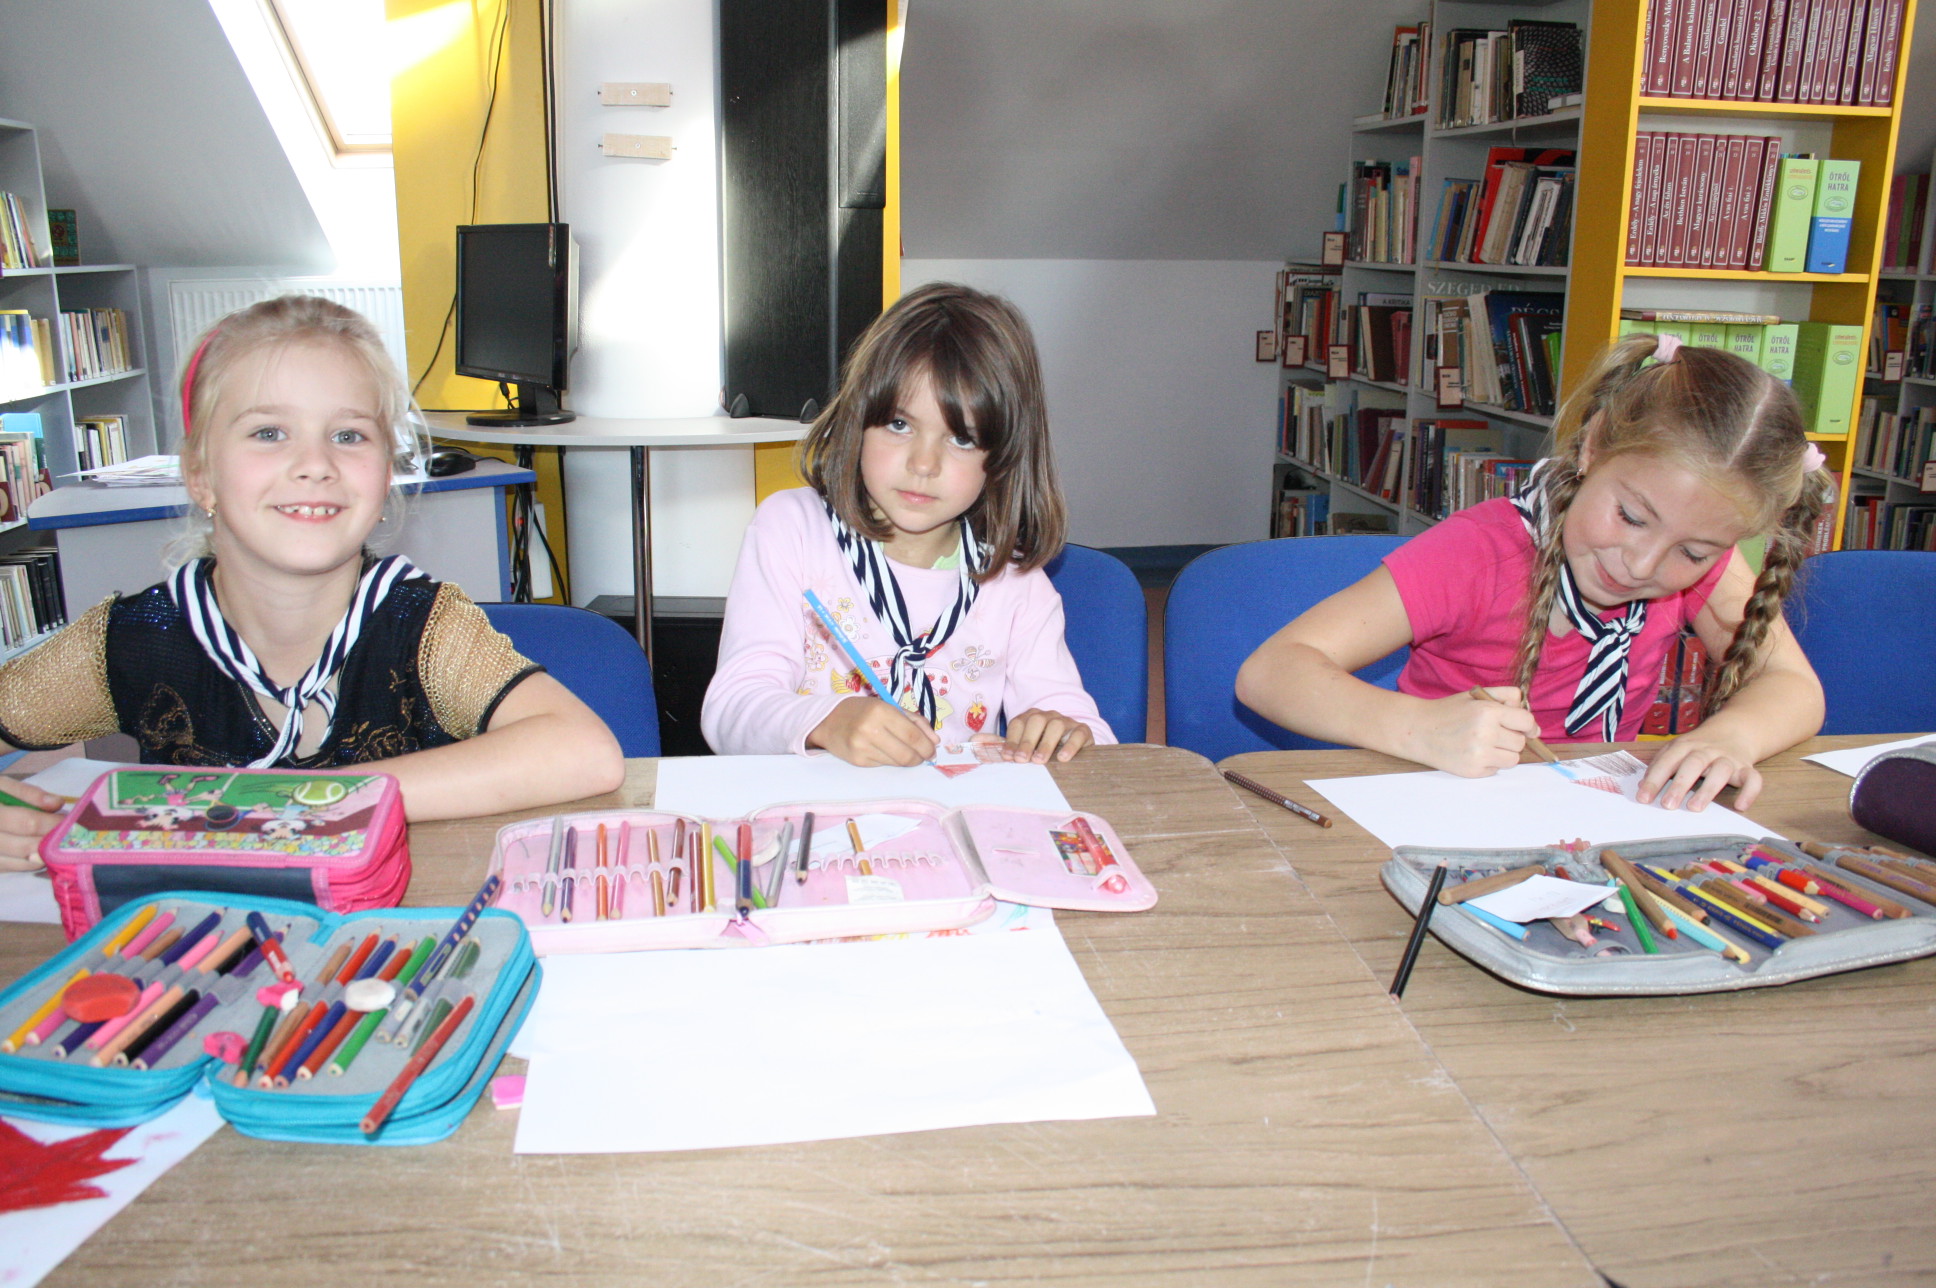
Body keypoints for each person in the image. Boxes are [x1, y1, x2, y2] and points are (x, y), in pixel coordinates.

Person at [0, 295, 623, 869]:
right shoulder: (136, 636)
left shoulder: (421, 625)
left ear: (385, 475)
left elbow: (583, 751)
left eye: (348, 435)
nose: (316, 464)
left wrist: (308, 801)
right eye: (269, 433)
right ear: (201, 475)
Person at [1236, 333, 1830, 812]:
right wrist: (1417, 728)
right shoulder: (1478, 553)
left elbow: (1795, 687)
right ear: (1593, 446)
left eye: (1694, 552)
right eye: (1630, 517)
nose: (1642, 564)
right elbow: (1270, 672)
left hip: (1593, 817)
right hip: (1437, 805)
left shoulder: (1705, 565)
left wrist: (1731, 737)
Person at [703, 282, 1113, 767]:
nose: (923, 464)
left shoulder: (1015, 581)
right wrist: (827, 721)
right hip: (814, 807)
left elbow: (1086, 732)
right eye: (899, 425)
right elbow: (731, 710)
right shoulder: (792, 530)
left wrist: (1064, 731)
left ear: (1003, 457)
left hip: (954, 812)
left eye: (962, 439)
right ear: (858, 421)